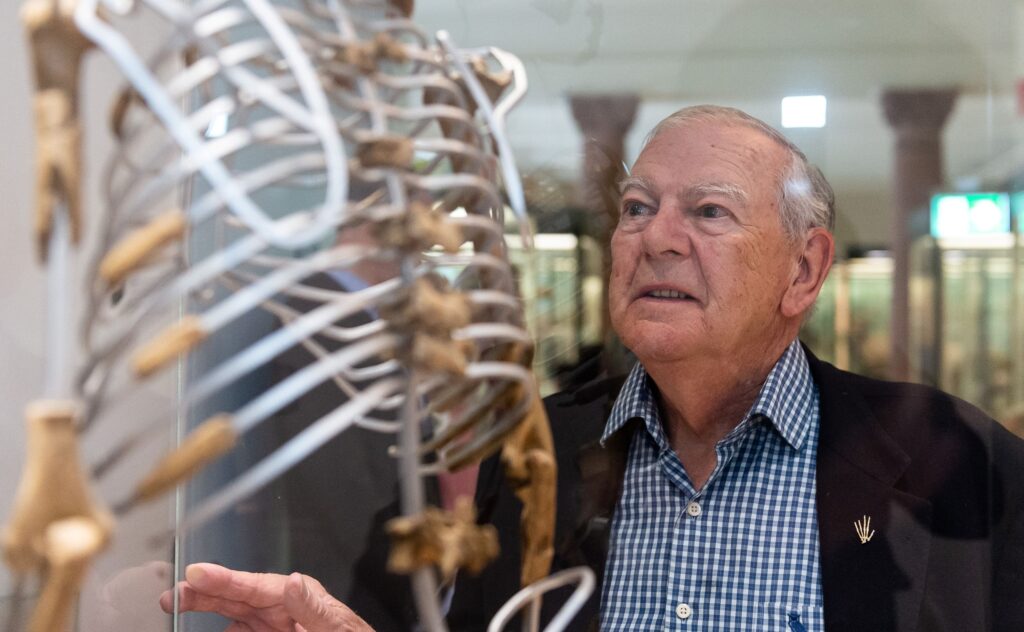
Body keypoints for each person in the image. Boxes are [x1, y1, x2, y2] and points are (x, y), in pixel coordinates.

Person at [162, 105, 1024, 631]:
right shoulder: (528, 457)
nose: (656, 237)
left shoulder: (953, 463)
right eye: (638, 208)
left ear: (803, 270)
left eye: (709, 211)